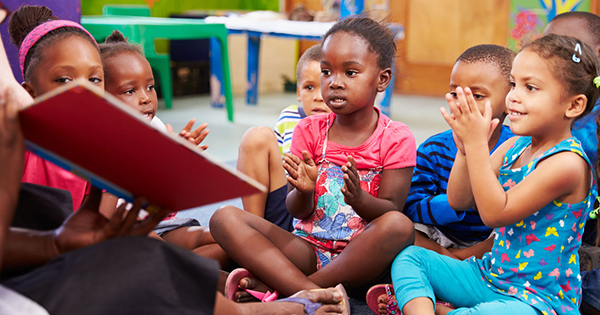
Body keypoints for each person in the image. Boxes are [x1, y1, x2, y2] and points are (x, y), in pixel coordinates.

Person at [0, 5, 349, 315]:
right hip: (64, 265)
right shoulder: (20, 148)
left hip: (107, 239)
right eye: (64, 79)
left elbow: (100, 222)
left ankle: (242, 288)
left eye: (94, 79)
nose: (83, 91)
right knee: (157, 255)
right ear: (27, 93)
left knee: (201, 239)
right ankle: (251, 297)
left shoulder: (100, 143)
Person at [210, 16, 416, 303]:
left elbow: (391, 210)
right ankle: (314, 294)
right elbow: (296, 212)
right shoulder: (309, 130)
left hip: (360, 260)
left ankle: (287, 291)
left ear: (382, 79)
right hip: (307, 248)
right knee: (223, 218)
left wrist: (359, 200)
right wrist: (304, 191)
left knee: (399, 226)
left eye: (350, 72)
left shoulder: (396, 137)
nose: (334, 83)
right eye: (327, 72)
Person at [390, 34, 599, 315]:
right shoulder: (515, 146)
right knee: (410, 258)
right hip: (488, 277)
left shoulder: (567, 164)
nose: (514, 96)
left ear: (573, 105)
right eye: (514, 84)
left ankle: (435, 309)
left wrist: (477, 146)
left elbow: (495, 213)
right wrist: (464, 151)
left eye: (531, 88)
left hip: (535, 300)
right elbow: (459, 199)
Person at [98, 30, 229, 268]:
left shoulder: (155, 126)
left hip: (161, 222)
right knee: (161, 253)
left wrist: (179, 160)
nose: (146, 98)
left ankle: (190, 271)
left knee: (225, 240)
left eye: (150, 87)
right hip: (123, 230)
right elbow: (102, 217)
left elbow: (168, 198)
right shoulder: (100, 142)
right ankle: (187, 272)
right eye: (130, 91)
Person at [404, 44, 515, 260]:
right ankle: (451, 261)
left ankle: (456, 262)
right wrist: (452, 206)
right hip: (438, 239)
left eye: (478, 96)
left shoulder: (517, 148)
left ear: (510, 100)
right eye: (455, 93)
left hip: (491, 242)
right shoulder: (434, 149)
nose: (462, 104)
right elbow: (412, 206)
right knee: (400, 228)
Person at [236, 43, 330, 231]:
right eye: (309, 87)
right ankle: (253, 231)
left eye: (324, 87)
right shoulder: (289, 117)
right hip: (287, 204)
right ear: (298, 92)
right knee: (256, 136)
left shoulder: (345, 122)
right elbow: (273, 167)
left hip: (326, 213)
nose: (317, 97)